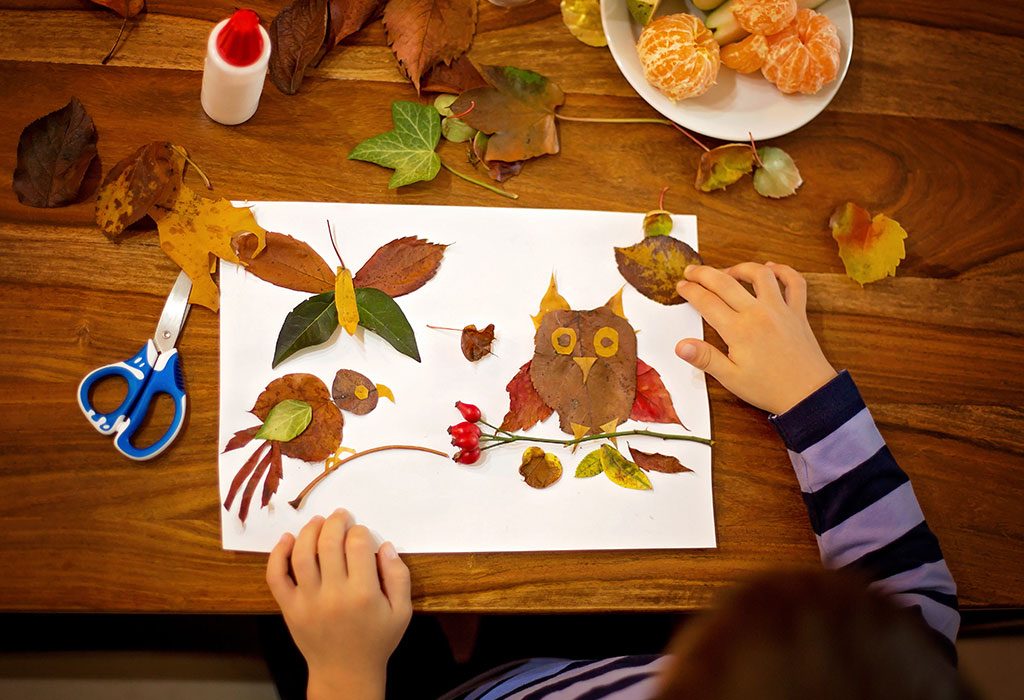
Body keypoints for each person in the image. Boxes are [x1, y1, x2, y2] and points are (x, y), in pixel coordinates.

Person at [265, 263, 967, 699]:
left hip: (406, 681)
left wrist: (344, 676)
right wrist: (812, 397)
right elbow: (913, 596)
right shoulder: (898, 671)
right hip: (582, 657)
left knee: (290, 615)